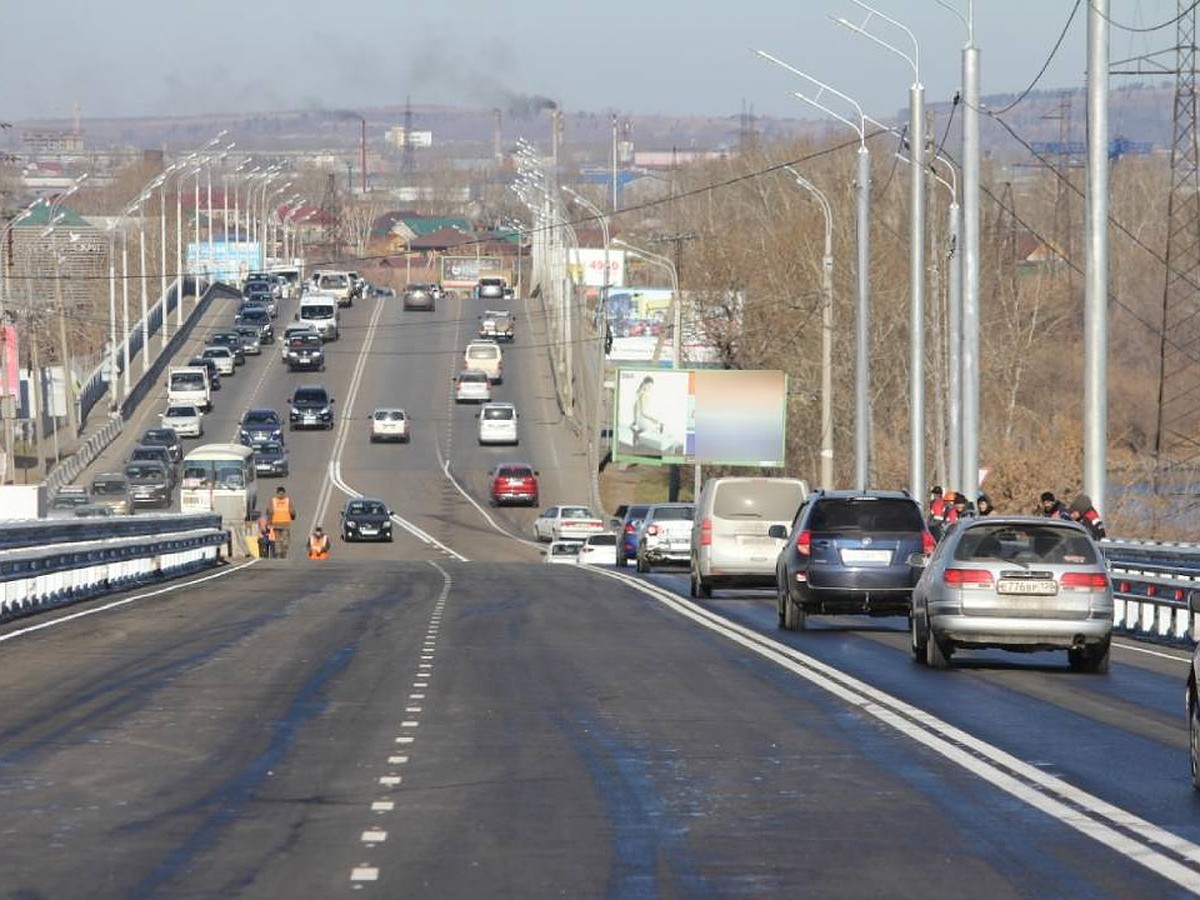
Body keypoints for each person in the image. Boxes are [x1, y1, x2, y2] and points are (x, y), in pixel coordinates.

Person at [630, 375, 664, 447]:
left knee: (658, 425)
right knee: (659, 426)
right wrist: (653, 418)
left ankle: (636, 438)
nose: (650, 388)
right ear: (644, 384)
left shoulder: (639, 393)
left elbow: (635, 407)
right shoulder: (644, 395)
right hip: (644, 421)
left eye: (651, 386)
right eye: (648, 386)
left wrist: (635, 420)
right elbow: (643, 412)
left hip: (640, 420)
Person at [270, 485, 297, 558]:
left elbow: (270, 512)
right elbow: (292, 511)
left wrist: (269, 523)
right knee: (284, 540)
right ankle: (283, 553)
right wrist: (293, 516)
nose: (281, 495)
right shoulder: (287, 500)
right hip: (284, 524)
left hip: (277, 524)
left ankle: (279, 553)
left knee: (278, 540)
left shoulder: (273, 501)